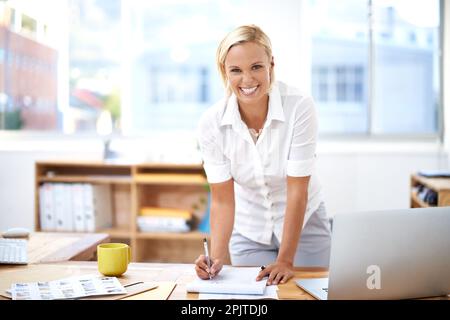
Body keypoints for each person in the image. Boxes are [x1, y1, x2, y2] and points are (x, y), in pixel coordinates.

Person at [195, 24, 331, 286]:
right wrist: (216, 259)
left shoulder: (299, 107)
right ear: (225, 72)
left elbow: (297, 191)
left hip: (305, 226)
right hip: (249, 231)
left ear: (271, 64)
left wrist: (286, 260)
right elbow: (222, 200)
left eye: (256, 67)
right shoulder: (211, 123)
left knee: (311, 292)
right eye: (236, 70)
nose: (247, 80)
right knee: (257, 300)